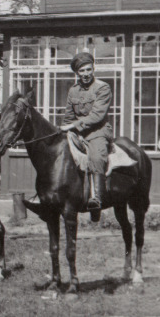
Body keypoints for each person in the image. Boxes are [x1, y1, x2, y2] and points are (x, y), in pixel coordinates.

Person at [60, 52, 112, 217]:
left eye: (88, 69)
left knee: (96, 157)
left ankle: (96, 199)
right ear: (77, 73)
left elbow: (97, 115)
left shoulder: (102, 88)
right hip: (77, 133)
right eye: (81, 71)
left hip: (97, 132)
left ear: (93, 69)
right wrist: (65, 128)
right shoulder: (73, 91)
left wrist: (74, 125)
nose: (85, 74)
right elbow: (68, 116)